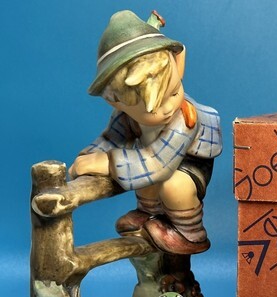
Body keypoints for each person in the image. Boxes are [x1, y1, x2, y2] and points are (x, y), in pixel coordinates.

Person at [69, 10, 222, 255]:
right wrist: (89, 156)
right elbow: (112, 140)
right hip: (156, 160)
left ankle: (189, 232)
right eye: (154, 107)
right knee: (142, 172)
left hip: (189, 164)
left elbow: (158, 163)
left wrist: (108, 163)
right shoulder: (125, 117)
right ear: (116, 102)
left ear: (179, 67)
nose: (168, 107)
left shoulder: (184, 118)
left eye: (174, 92)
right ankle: (149, 213)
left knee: (173, 185)